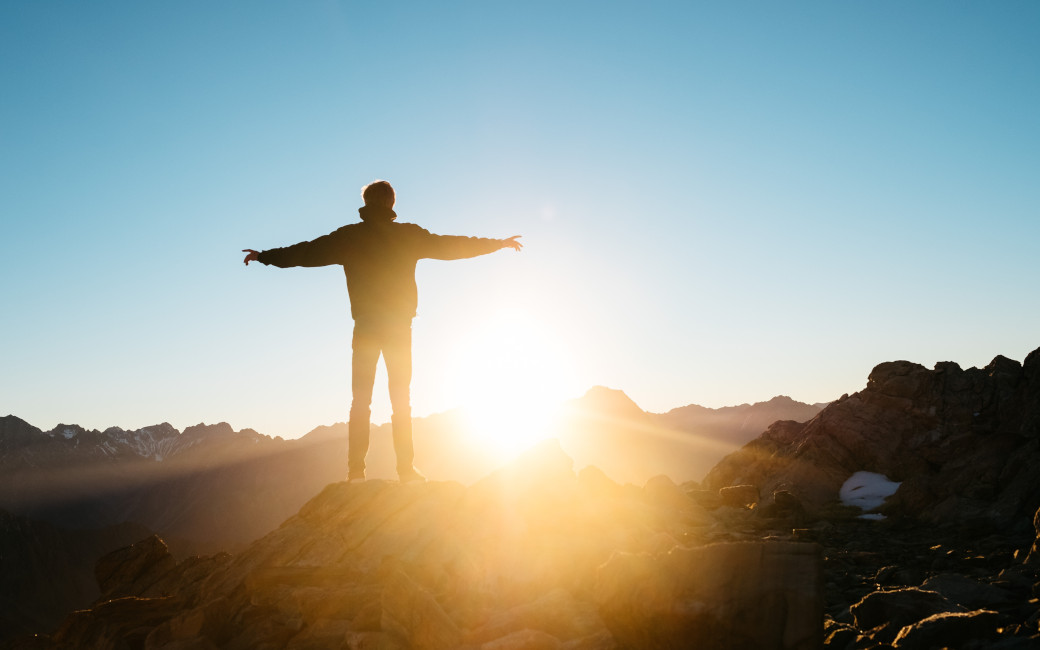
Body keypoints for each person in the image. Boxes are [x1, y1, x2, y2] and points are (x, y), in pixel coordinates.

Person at [243, 180, 522, 483]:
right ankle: (406, 471)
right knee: (401, 399)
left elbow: (306, 252)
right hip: (399, 327)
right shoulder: (408, 236)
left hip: (366, 327)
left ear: (366, 202)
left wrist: (264, 256)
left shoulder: (350, 237)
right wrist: (498, 243)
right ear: (391, 203)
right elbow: (453, 245)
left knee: (361, 401)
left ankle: (355, 472)